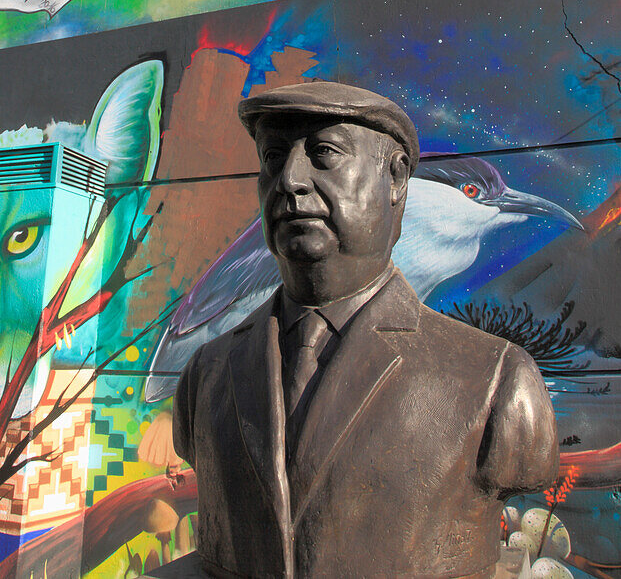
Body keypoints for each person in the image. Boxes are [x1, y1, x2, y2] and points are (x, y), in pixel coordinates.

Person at [172, 81, 559, 579]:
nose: (289, 179)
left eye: (325, 154)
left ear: (396, 179)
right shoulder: (207, 372)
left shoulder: (497, 380)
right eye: (272, 157)